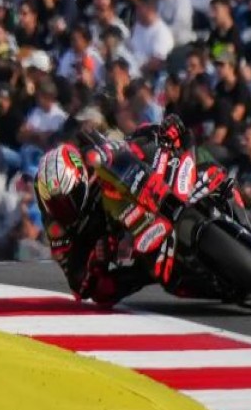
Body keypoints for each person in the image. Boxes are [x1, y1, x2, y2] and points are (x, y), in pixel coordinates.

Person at [35, 117, 237, 305]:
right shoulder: (56, 226)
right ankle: (149, 271)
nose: (64, 207)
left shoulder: (94, 158)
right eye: (56, 204)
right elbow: (77, 285)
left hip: (147, 190)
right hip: (131, 242)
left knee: (168, 136)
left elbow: (129, 144)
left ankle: (209, 196)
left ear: (81, 179)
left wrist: (163, 132)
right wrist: (96, 261)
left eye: (69, 197)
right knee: (100, 292)